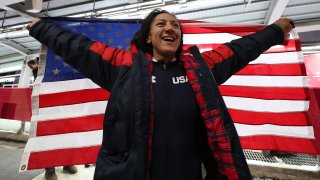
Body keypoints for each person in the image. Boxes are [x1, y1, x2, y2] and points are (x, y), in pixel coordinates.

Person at [27, 9, 294, 180]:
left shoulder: (201, 68)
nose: (170, 28)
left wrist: (275, 30)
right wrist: (42, 27)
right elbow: (79, 47)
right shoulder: (124, 66)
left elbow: (242, 48)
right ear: (147, 37)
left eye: (176, 25)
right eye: (161, 24)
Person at [27, 59, 78, 180]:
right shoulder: (41, 65)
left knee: (67, 138)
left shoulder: (63, 63)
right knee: (48, 140)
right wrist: (36, 69)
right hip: (47, 111)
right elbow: (38, 81)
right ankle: (50, 170)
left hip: (65, 109)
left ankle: (67, 163)